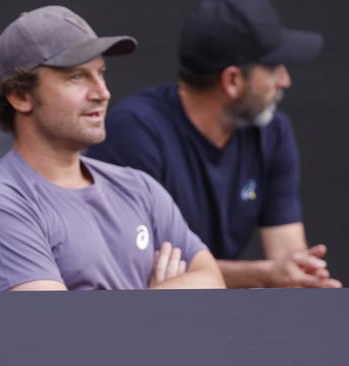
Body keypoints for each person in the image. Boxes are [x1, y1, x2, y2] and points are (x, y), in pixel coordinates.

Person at [0, 6, 225, 291]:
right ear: (20, 95)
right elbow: (55, 329)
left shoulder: (139, 188)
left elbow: (211, 280)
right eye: (76, 77)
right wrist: (154, 300)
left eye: (101, 74)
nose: (102, 92)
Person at [86, 0, 341, 288]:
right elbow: (133, 268)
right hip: (147, 318)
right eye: (273, 68)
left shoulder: (273, 132)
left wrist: (302, 274)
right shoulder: (136, 133)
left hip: (219, 313)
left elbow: (288, 262)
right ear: (232, 80)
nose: (285, 80)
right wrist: (263, 274)